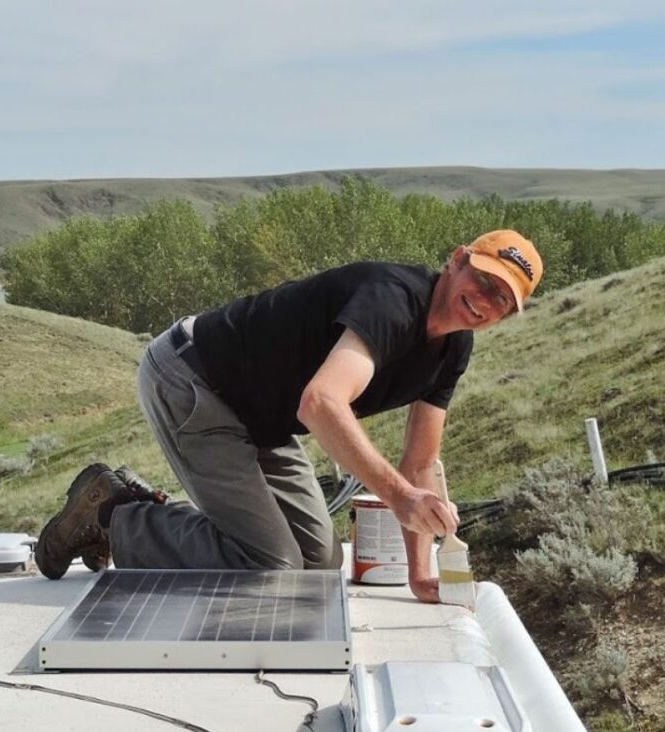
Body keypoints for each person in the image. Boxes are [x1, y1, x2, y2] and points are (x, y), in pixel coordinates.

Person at [35, 229, 543, 603]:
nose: (484, 302)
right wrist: (400, 497)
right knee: (270, 565)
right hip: (197, 379)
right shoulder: (394, 300)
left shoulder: (453, 349)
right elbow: (321, 403)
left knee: (319, 566)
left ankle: (129, 518)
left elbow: (421, 465)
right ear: (456, 261)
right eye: (483, 280)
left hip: (265, 418)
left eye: (503, 299)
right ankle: (112, 514)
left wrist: (419, 572)